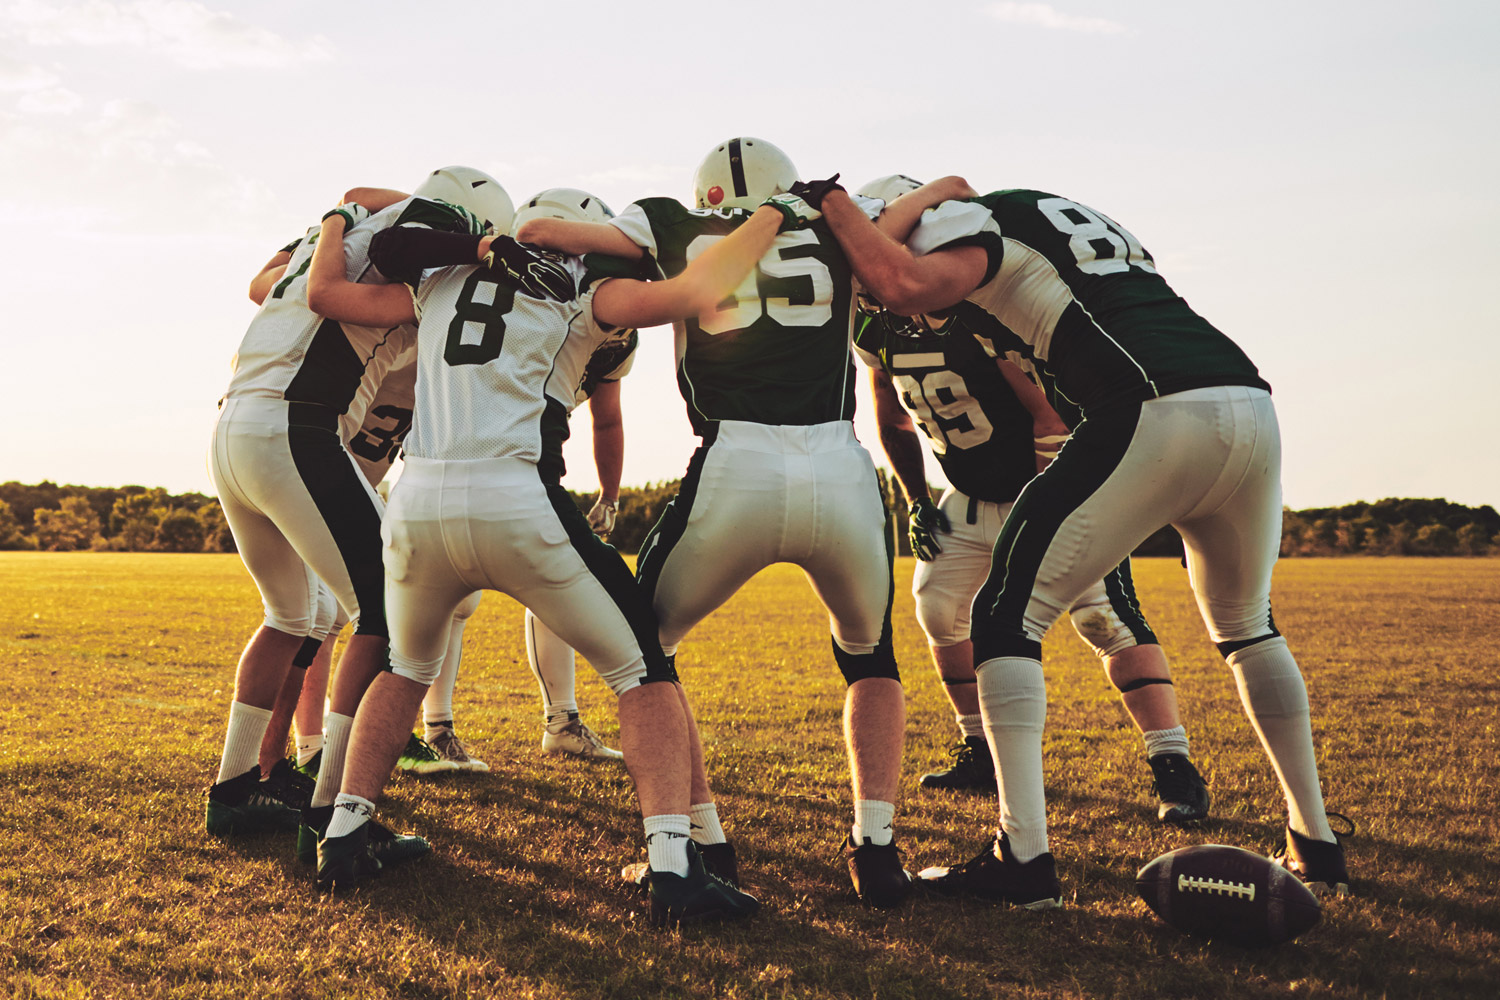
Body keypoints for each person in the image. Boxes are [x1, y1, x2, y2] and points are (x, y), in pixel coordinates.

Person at [811, 178, 1349, 906]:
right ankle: (1314, 839)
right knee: (1248, 627)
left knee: (1003, 619)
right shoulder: (1057, 216)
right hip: (1245, 399)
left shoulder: (971, 224)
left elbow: (901, 281)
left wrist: (838, 209)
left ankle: (1023, 860)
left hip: (1151, 405)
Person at [301, 184, 804, 925]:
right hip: (515, 497)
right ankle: (672, 861)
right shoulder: (583, 287)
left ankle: (344, 832)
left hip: (418, 505)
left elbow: (336, 295)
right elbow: (701, 289)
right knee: (643, 669)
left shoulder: (440, 278)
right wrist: (774, 217)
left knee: (407, 665)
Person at [514, 140, 967, 908]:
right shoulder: (835, 223)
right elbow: (919, 207)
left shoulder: (671, 223)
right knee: (870, 656)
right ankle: (877, 850)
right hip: (840, 465)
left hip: (735, 462)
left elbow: (554, 235)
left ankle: (704, 842)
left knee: (645, 652)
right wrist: (887, 196)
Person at [853, 177, 1211, 823]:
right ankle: (979, 750)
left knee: (1105, 617)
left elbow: (1049, 418)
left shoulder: (976, 304)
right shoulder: (875, 329)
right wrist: (913, 497)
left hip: (1047, 487)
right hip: (967, 493)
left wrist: (1053, 502)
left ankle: (1172, 762)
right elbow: (894, 419)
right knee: (939, 609)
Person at [204, 168, 508, 848]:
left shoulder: (337, 235)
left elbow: (281, 273)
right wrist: (477, 254)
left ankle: (235, 789)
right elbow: (387, 271)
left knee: (293, 614)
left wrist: (342, 215)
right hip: (297, 427)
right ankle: (335, 806)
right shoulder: (397, 264)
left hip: (234, 429)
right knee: (392, 612)